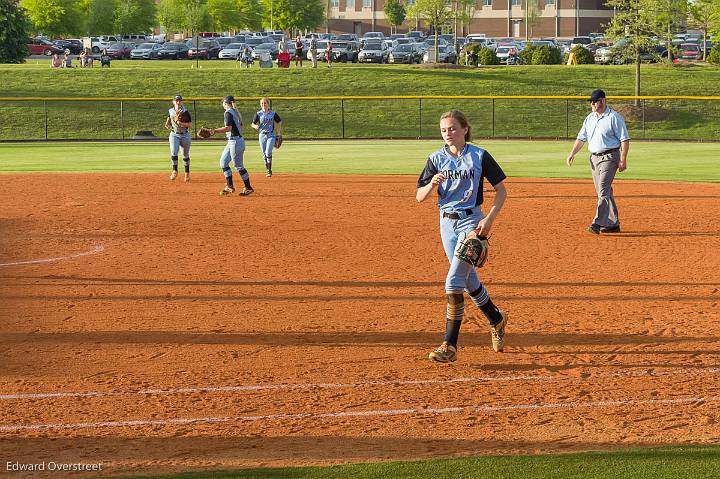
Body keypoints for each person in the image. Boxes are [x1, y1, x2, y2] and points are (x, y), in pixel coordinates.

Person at [416, 109, 509, 363]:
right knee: (468, 281)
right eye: (444, 130)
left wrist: (488, 220)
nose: (448, 134)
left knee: (453, 281)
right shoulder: (435, 159)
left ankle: (450, 345)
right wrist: (432, 184)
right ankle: (496, 318)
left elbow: (501, 191)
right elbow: (419, 197)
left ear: (465, 129)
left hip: (472, 222)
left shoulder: (479, 156)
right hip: (446, 224)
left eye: (453, 128)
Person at [566, 89, 630, 234]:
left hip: (610, 157)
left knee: (602, 188)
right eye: (591, 102)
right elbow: (581, 138)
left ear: (603, 101)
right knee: (604, 191)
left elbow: (624, 139)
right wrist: (572, 153)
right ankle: (613, 223)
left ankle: (597, 223)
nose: (592, 104)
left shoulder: (614, 117)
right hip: (594, 158)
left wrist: (623, 159)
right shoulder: (589, 118)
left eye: (595, 101)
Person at [204, 95, 254, 196]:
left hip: (235, 142)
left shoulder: (228, 113)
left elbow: (228, 128)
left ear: (226, 103)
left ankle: (248, 188)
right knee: (223, 162)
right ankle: (229, 186)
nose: (222, 104)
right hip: (233, 141)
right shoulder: (235, 112)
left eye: (223, 102)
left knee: (238, 166)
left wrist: (214, 131)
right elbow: (241, 125)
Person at [163, 95, 192, 182]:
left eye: (179, 101)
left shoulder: (185, 112)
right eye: (176, 101)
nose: (178, 102)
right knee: (174, 152)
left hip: (185, 135)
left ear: (182, 102)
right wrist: (168, 125)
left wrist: (181, 123)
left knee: (185, 155)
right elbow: (167, 123)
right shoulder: (171, 111)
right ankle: (174, 171)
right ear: (173, 102)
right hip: (174, 135)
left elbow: (190, 125)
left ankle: (187, 173)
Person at [251, 97, 283, 177]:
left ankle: (269, 170)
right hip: (262, 135)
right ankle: (267, 169)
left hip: (271, 135)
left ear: (268, 104)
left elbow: (279, 121)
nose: (263, 104)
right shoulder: (258, 114)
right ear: (260, 104)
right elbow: (252, 124)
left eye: (265, 103)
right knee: (264, 153)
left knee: (268, 152)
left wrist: (278, 133)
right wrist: (255, 126)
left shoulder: (273, 113)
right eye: (262, 103)